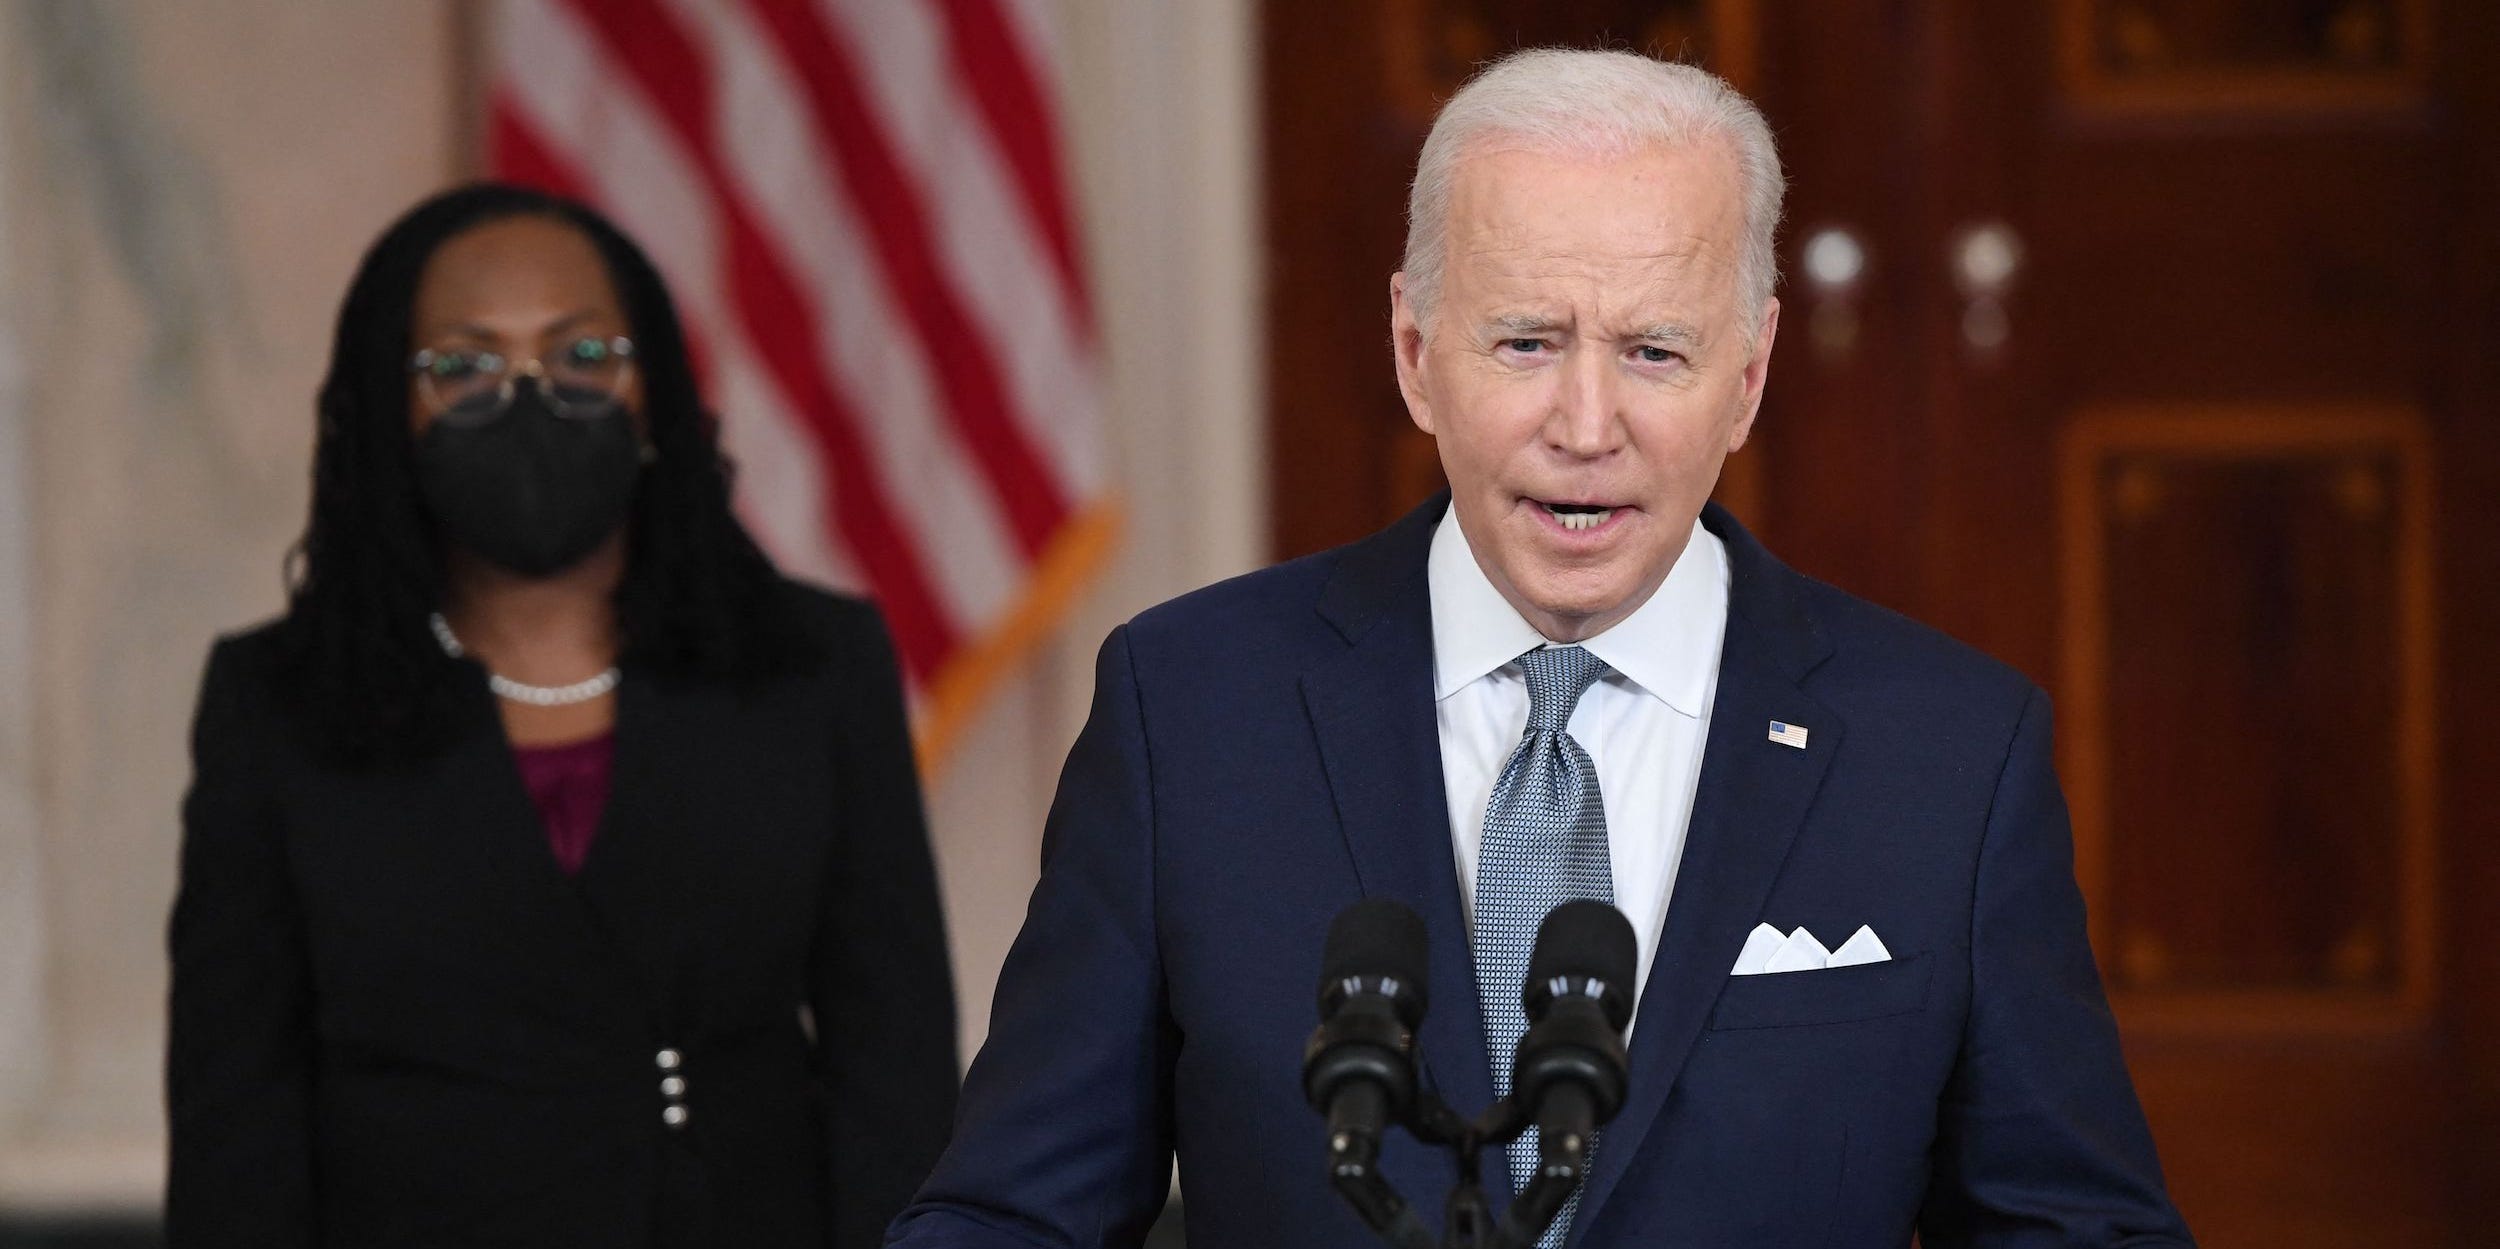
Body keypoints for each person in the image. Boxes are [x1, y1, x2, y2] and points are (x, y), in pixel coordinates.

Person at [888, 49, 2192, 1249]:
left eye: (1654, 351)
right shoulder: (1191, 714)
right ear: (1416, 354)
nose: (1587, 422)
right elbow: (1013, 1217)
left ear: (1749, 371)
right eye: (1526, 341)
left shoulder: (1950, 757)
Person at [167, 183, 958, 1248]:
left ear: (655, 395)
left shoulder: (811, 668)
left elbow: (894, 1065)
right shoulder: (278, 704)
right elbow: (237, 1116)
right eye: (464, 366)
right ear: (386, 411)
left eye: (582, 356)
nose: (531, 395)